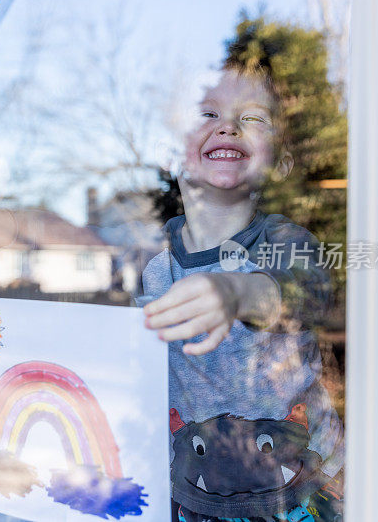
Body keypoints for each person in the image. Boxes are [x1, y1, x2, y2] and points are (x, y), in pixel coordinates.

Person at [141, 63, 345, 521]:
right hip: (197, 492)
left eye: (252, 117)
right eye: (208, 115)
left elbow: (301, 290)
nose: (228, 126)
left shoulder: (285, 241)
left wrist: (236, 291)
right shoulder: (154, 268)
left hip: (304, 492)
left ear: (281, 159)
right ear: (172, 154)